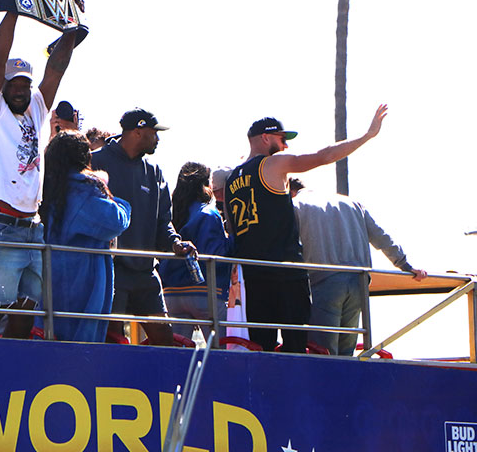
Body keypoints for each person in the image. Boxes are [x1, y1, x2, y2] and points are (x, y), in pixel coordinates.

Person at [225, 105, 388, 352]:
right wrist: (366, 137)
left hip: (254, 276)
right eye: (282, 139)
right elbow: (323, 156)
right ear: (265, 138)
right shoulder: (271, 164)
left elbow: (233, 230)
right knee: (297, 346)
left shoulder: (231, 180)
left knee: (262, 347)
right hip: (285, 272)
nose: (285, 146)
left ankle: (267, 391)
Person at [0, 0, 81, 338]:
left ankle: (11, 368)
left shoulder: (36, 106)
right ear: (3, 86)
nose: (20, 89)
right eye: (14, 84)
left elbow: (57, 69)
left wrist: (71, 28)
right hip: (0, 224)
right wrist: (14, 10)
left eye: (25, 84)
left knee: (26, 310)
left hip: (32, 227)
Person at [90, 108, 197, 346]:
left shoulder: (155, 172)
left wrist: (175, 243)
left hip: (146, 272)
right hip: (108, 270)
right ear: (137, 131)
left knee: (164, 340)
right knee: (112, 341)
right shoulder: (95, 161)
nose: (158, 139)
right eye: (154, 133)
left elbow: (163, 223)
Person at [290, 178, 427, 356]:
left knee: (322, 353)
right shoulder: (352, 203)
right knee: (346, 353)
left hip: (324, 283)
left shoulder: (296, 205)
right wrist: (406, 265)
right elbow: (381, 237)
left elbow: (288, 247)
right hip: (358, 282)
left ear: (289, 190)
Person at [40, 131, 131, 342]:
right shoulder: (82, 191)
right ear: (84, 156)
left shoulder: (44, 188)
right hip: (80, 281)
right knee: (78, 349)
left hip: (47, 278)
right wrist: (121, 203)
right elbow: (116, 221)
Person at [160, 161, 232, 343]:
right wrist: (232, 239)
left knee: (177, 354)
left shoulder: (171, 214)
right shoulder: (209, 213)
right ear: (204, 185)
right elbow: (217, 256)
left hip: (172, 293)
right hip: (205, 292)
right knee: (220, 353)